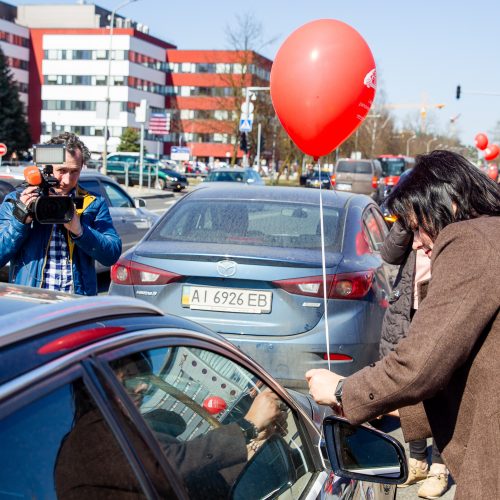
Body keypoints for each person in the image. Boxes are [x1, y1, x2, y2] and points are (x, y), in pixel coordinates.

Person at [306, 150, 500, 500]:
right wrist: (382, 405)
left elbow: (420, 364)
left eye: (418, 225)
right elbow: (472, 380)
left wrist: (343, 392)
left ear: (450, 203)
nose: (419, 241)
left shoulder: (469, 240)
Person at [0, 132, 121, 295]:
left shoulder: (92, 202)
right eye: (61, 170)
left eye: (74, 171)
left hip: (76, 303)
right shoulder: (17, 200)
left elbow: (111, 255)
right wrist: (21, 220)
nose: (67, 180)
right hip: (30, 301)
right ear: (46, 167)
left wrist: (80, 231)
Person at [380, 218, 449, 498]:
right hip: (407, 311)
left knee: (443, 390)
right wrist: (404, 223)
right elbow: (390, 254)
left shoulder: (453, 219)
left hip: (441, 309)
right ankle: (418, 460)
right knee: (408, 387)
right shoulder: (411, 219)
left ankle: (440, 467)